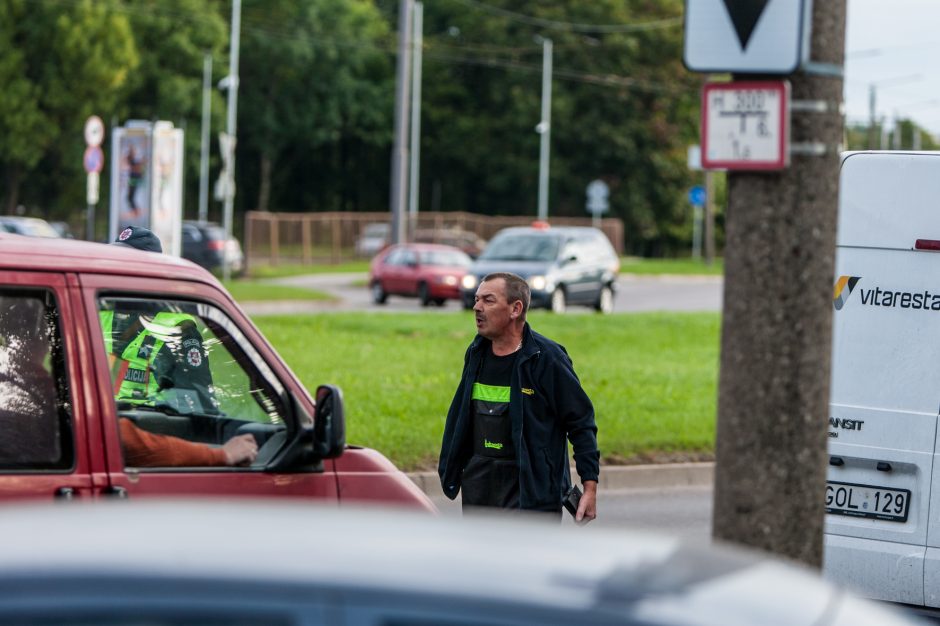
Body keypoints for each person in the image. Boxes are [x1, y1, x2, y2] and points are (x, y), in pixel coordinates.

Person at [438, 272, 599, 521]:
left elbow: (580, 422)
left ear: (515, 309)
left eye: (488, 301)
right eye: (477, 300)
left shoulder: (547, 359)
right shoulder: (476, 353)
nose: (477, 307)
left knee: (528, 561)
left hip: (532, 496)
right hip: (481, 492)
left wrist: (589, 487)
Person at [105, 226, 257, 467]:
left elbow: (199, 409)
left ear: (151, 273)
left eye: (127, 263)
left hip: (149, 451)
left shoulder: (178, 329)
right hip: (104, 441)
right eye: (116, 262)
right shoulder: (97, 312)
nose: (116, 270)